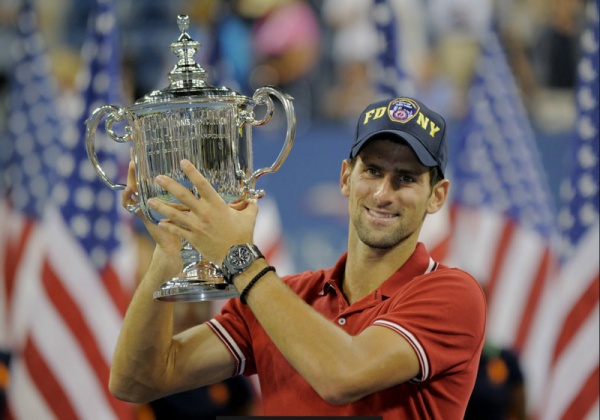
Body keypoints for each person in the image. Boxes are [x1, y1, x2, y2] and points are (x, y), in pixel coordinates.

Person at [110, 96, 486, 418]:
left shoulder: (452, 294)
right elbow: (138, 379)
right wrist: (169, 251)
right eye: (372, 171)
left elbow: (342, 376)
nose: (383, 193)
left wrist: (239, 258)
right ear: (345, 178)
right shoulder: (284, 296)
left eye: (405, 178)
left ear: (437, 196)